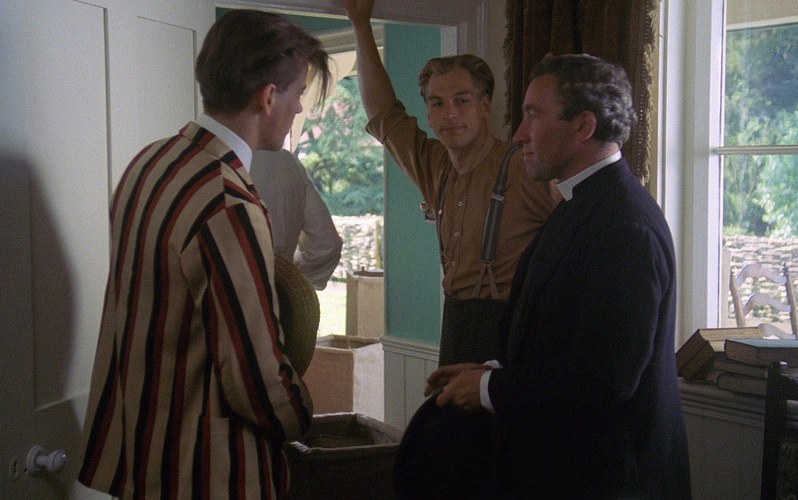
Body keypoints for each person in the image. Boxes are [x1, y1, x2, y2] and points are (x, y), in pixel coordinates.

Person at [77, 10, 331, 499]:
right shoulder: (226, 200)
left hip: (141, 450)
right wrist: (300, 416)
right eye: (298, 93)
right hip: (204, 470)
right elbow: (254, 376)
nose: (299, 107)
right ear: (268, 97)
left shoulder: (150, 163)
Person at [426, 53, 691, 498]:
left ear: (583, 126)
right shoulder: (582, 204)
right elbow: (563, 341)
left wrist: (490, 387)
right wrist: (489, 370)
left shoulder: (623, 226)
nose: (519, 134)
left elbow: (603, 378)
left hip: (612, 482)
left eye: (533, 115)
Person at [343, 0, 556, 367]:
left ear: (485, 107)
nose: (450, 113)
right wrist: (360, 24)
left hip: (515, 338)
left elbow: (582, 243)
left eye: (462, 100)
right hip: (456, 328)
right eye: (438, 103)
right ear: (428, 113)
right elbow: (383, 115)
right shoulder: (435, 166)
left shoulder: (524, 167)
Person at [250, 148, 343, 290]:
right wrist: (286, 275)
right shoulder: (288, 163)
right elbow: (326, 246)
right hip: (278, 295)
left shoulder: (215, 157)